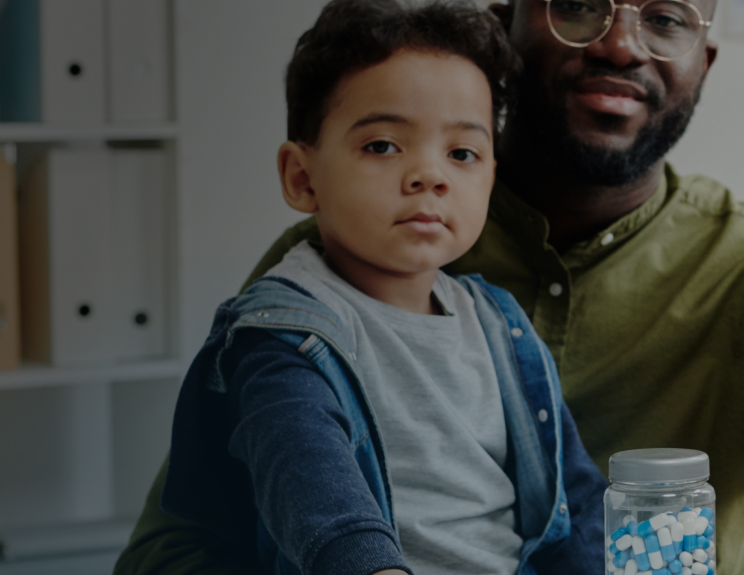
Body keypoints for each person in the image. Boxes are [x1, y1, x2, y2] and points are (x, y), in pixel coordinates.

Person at [116, 0, 744, 573]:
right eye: (578, 4)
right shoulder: (333, 272)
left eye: (665, 18)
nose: (621, 45)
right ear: (507, 24)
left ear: (704, 61)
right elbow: (187, 534)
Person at [159, 2, 610, 574]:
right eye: (382, 146)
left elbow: (577, 497)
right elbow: (313, 487)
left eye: (462, 153)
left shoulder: (501, 324)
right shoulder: (283, 335)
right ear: (302, 178)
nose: (430, 175)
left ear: (490, 179)